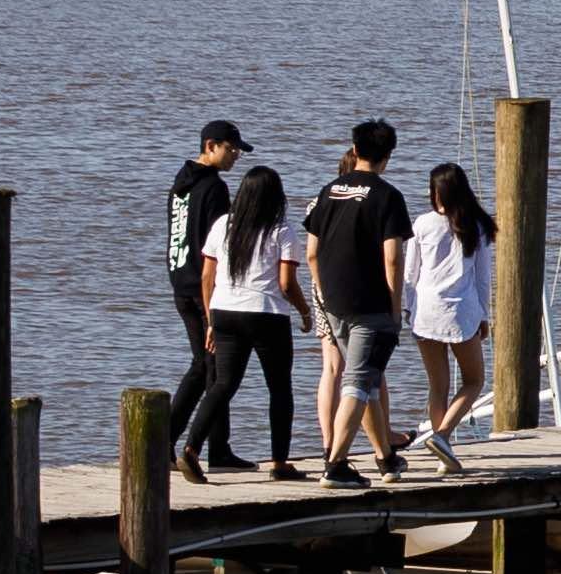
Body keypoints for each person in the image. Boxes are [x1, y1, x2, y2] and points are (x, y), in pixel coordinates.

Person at [305, 121, 415, 484]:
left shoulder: (330, 190)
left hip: (332, 301)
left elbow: (311, 253)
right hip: (370, 304)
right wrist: (395, 305)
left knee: (365, 379)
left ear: (354, 148)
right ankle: (335, 464)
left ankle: (385, 458)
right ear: (388, 156)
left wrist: (322, 293)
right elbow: (394, 259)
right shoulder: (387, 196)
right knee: (357, 380)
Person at [180, 163, 296, 480]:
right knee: (280, 388)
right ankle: (279, 463)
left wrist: (210, 320)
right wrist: (304, 310)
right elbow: (286, 284)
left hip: (225, 313)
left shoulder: (222, 225)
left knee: (223, 384)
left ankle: (191, 449)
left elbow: (207, 277)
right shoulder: (281, 229)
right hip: (268, 315)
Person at [403, 160, 499, 453]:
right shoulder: (477, 226)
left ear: (436, 193)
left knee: (438, 386)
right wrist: (485, 315)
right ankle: (443, 437)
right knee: (474, 380)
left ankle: (441, 446)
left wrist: (408, 310)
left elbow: (410, 274)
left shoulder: (422, 224)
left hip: (425, 312)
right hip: (462, 312)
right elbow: (482, 280)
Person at [157, 118, 244, 408]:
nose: (236, 156)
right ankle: (213, 449)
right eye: (231, 149)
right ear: (210, 146)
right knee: (217, 372)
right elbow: (220, 243)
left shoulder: (180, 184)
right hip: (204, 287)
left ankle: (169, 440)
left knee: (203, 365)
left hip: (181, 284)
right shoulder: (214, 188)